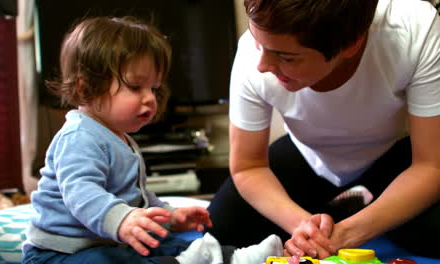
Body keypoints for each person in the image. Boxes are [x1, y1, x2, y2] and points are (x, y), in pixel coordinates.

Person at [21, 16, 284, 264]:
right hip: (60, 253)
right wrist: (123, 220)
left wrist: (170, 217)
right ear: (85, 88)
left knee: (170, 242)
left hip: (110, 242)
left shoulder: (120, 138)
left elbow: (139, 197)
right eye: (135, 87)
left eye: (154, 89)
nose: (150, 98)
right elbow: (82, 193)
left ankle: (231, 257)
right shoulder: (79, 137)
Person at [207, 0, 440, 259]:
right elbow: (248, 167)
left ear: (352, 44)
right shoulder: (252, 58)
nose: (262, 65)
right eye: (258, 42)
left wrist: (349, 233)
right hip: (306, 154)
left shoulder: (414, 31)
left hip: (394, 157)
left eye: (286, 57)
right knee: (219, 232)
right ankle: (333, 212)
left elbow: (431, 165)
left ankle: (352, 212)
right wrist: (304, 228)